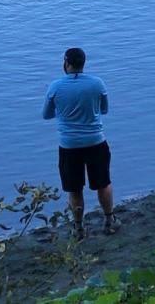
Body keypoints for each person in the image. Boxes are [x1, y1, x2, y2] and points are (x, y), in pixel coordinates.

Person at [42, 47, 119, 238]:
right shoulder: (97, 84)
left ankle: (78, 228)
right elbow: (104, 110)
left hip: (69, 145)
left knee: (74, 188)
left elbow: (46, 114)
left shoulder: (55, 87)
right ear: (83, 63)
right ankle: (109, 221)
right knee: (103, 183)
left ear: (66, 64)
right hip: (96, 142)